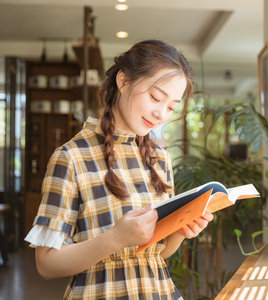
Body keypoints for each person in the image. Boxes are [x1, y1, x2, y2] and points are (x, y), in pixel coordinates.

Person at [24, 40, 213, 299]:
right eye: (155, 97)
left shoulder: (160, 159)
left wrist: (180, 232)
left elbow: (155, 255)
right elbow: (45, 264)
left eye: (171, 107)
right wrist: (115, 238)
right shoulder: (71, 157)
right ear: (123, 81)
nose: (161, 114)